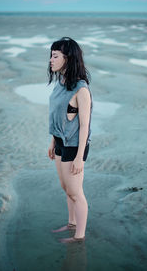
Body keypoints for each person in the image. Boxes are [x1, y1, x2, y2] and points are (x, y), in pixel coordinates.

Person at [47, 37, 92, 243]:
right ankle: (71, 223)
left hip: (75, 146)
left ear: (68, 58)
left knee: (75, 191)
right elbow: (59, 116)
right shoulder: (61, 82)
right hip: (61, 142)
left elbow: (85, 127)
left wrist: (80, 158)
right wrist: (53, 142)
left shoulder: (81, 89)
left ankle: (79, 237)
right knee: (66, 188)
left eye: (55, 56)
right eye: (51, 55)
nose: (51, 60)